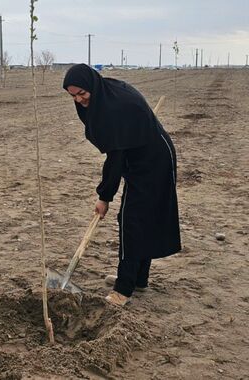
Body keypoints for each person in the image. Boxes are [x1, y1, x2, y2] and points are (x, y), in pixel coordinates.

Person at [63, 64, 181, 306]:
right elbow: (119, 150)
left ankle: (123, 289)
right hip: (140, 157)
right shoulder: (105, 96)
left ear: (92, 85)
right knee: (139, 220)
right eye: (73, 95)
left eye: (82, 93)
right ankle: (139, 279)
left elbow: (115, 159)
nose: (78, 100)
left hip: (153, 162)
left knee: (132, 222)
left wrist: (104, 197)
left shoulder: (114, 108)